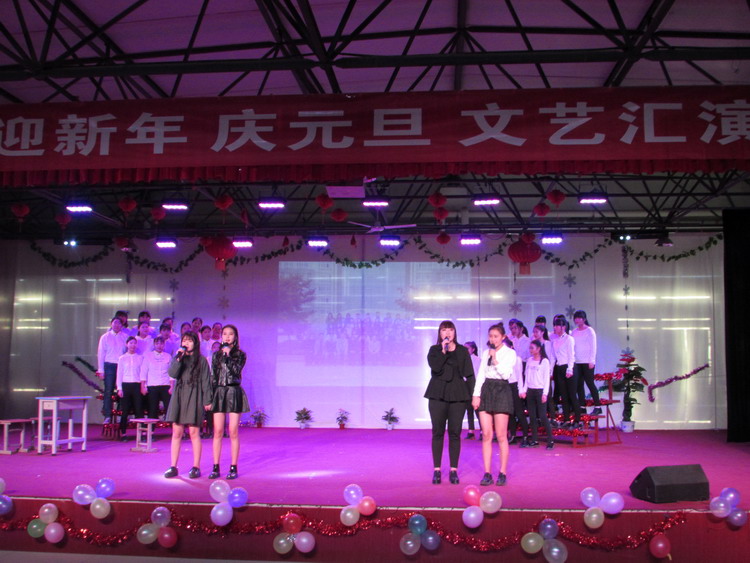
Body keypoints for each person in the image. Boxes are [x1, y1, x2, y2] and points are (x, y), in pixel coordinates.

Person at [425, 321, 475, 485]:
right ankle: (437, 470)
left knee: (455, 433)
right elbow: (436, 368)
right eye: (444, 330)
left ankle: (454, 470)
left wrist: (474, 396)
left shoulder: (462, 351)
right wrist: (443, 350)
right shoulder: (434, 350)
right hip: (437, 394)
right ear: (440, 333)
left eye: (450, 330)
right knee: (437, 432)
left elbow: (469, 375)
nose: (447, 333)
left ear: (455, 332)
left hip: (458, 395)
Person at [164, 331, 212, 479]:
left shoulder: (201, 360)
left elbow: (206, 381)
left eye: (190, 341)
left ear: (195, 343)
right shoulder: (179, 357)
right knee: (176, 432)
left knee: (193, 432)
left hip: (194, 396)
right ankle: (173, 466)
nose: (186, 343)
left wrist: (207, 400)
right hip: (179, 395)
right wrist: (178, 358)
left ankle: (196, 467)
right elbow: (172, 373)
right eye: (184, 340)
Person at [472, 323, 516, 486]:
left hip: (502, 390)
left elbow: (506, 374)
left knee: (501, 435)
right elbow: (481, 375)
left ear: (503, 337)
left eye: (496, 336)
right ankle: (487, 473)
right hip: (487, 390)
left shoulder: (510, 353)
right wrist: (476, 395)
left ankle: (502, 472)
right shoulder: (485, 353)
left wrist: (495, 359)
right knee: (486, 434)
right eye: (490, 336)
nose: (493, 339)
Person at [209, 325, 250, 480]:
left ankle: (233, 466)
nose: (227, 337)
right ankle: (215, 466)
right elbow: (214, 377)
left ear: (235, 337)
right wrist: (210, 397)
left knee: (233, 431)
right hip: (219, 391)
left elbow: (236, 371)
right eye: (224, 334)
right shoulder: (216, 355)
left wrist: (228, 356)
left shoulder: (240, 355)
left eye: (230, 334)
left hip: (233, 391)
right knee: (218, 431)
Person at [520, 340, 554, 449]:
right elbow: (527, 377)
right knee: (532, 416)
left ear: (538, 349)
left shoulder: (544, 361)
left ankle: (550, 440)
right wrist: (524, 390)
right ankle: (534, 439)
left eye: (532, 348)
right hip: (530, 391)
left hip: (540, 391)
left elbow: (546, 379)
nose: (530, 350)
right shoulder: (529, 360)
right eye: (530, 348)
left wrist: (545, 394)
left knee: (543, 416)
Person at [96, 316, 128, 423]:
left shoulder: (125, 337)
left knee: (122, 390)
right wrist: (101, 370)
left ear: (122, 325)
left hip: (122, 366)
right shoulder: (105, 337)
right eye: (115, 323)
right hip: (109, 365)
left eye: (119, 323)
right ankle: (107, 415)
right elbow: (101, 353)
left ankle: (121, 414)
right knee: (108, 390)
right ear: (111, 324)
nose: (117, 325)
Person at [572, 310, 601, 416]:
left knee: (590, 383)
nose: (577, 320)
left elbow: (593, 346)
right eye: (576, 318)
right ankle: (582, 406)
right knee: (579, 385)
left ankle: (597, 406)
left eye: (579, 318)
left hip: (587, 362)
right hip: (577, 362)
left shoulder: (590, 331)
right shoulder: (574, 332)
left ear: (584, 319)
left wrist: (592, 360)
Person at [116, 336, 145, 440]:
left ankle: (141, 434)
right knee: (125, 410)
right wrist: (119, 388)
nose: (133, 345)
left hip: (137, 385)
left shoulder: (140, 358)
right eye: (131, 343)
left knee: (139, 409)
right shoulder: (122, 358)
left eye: (134, 343)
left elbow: (142, 373)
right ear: (127, 344)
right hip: (126, 385)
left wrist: (143, 386)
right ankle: (123, 433)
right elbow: (119, 374)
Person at [551, 316, 579, 428]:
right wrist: (551, 371)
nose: (555, 327)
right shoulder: (555, 341)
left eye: (557, 325)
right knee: (563, 395)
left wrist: (570, 369)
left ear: (563, 327)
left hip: (569, 367)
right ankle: (566, 419)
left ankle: (577, 420)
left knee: (572, 394)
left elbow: (571, 355)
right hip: (559, 368)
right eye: (554, 325)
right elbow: (553, 358)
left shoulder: (569, 339)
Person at [141, 335, 173, 419]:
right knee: (152, 409)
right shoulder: (148, 356)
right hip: (152, 385)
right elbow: (143, 372)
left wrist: (172, 386)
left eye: (161, 344)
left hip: (165, 385)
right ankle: (151, 427)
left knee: (169, 407)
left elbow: (171, 373)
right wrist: (143, 387)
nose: (159, 346)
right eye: (157, 343)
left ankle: (171, 426)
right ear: (154, 344)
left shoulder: (168, 356)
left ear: (164, 345)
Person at [463, 341, 481, 440]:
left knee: (477, 409)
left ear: (473, 349)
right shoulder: (462, 359)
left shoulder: (477, 359)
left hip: (474, 384)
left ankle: (482, 430)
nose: (465, 350)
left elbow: (478, 373)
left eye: (467, 348)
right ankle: (471, 431)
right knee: (468, 408)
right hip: (465, 385)